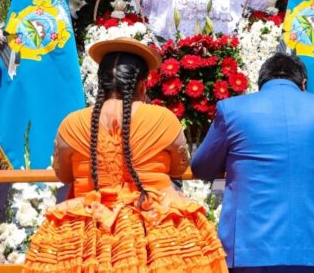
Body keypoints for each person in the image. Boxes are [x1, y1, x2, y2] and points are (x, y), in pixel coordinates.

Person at [23, 37, 227, 272]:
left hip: (88, 229)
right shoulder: (163, 119)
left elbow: (64, 174)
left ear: (101, 82)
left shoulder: (71, 124)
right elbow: (179, 168)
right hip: (155, 226)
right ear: (142, 84)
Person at [192, 53, 314, 273]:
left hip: (252, 248)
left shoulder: (232, 110)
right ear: (303, 84)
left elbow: (201, 167)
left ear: (260, 84)